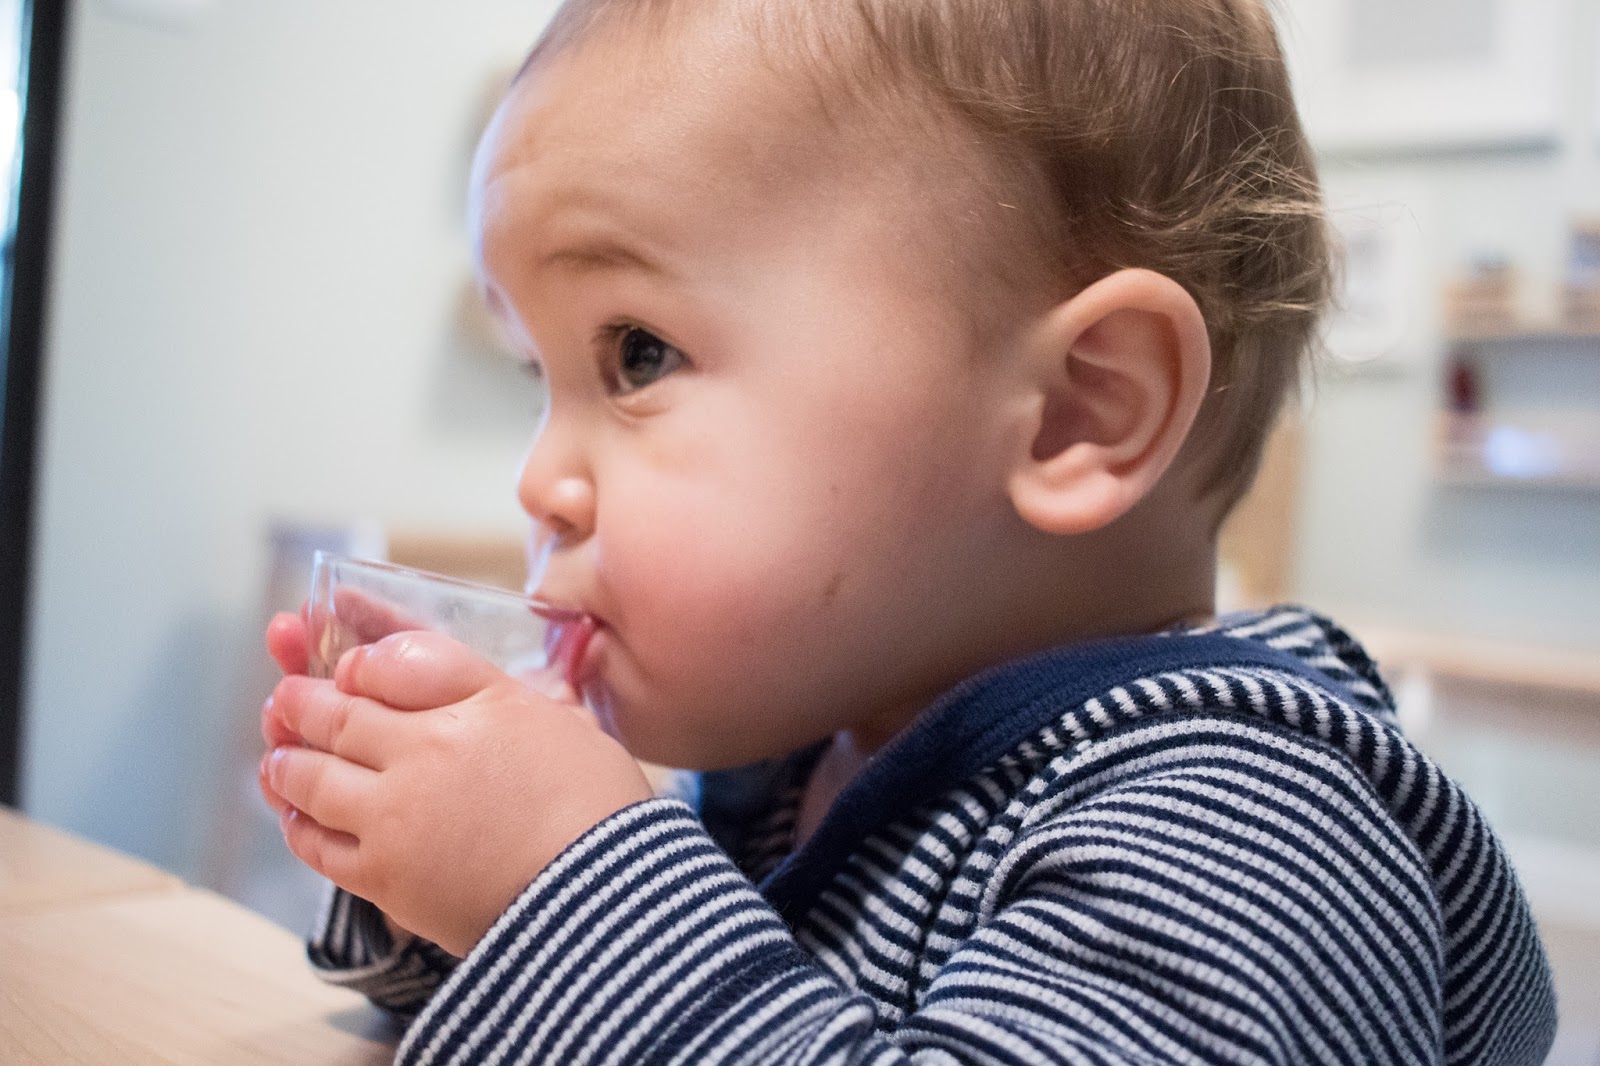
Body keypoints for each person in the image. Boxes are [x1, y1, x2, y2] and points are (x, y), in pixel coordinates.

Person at [259, 0, 1557, 1062]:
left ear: (1073, 411)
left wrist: (568, 880)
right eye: (542, 377)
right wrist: (442, 879)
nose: (541, 479)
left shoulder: (1253, 828)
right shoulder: (793, 765)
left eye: (638, 353)